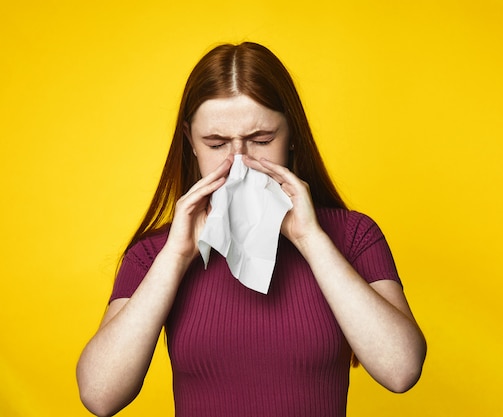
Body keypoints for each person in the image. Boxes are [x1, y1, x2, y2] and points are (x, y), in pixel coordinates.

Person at [76, 41, 426, 417]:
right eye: (216, 143)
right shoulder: (153, 255)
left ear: (292, 137)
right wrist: (176, 257)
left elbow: (401, 369)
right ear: (190, 142)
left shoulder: (351, 236)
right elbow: (99, 396)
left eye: (261, 141)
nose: (238, 162)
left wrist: (310, 239)